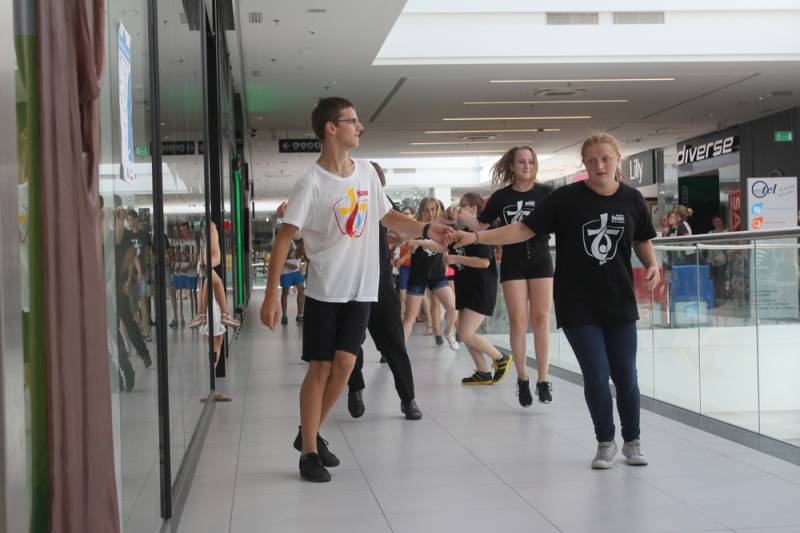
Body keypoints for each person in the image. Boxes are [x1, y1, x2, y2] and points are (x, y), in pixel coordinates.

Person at [260, 97, 452, 482]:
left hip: (362, 289)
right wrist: (269, 297)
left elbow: (387, 216)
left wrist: (426, 228)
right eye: (352, 121)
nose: (360, 127)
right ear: (331, 128)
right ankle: (309, 452)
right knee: (321, 368)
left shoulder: (365, 172)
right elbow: (283, 240)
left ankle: (308, 433)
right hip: (325, 290)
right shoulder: (311, 183)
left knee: (346, 365)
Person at [453, 133, 660, 469]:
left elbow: (642, 239)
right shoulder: (565, 198)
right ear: (584, 164)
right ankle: (605, 441)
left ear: (617, 160)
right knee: (596, 375)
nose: (599, 165)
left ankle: (632, 440)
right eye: (592, 160)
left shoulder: (632, 199)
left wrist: (652, 265)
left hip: (619, 300)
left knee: (626, 376)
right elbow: (523, 229)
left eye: (606, 158)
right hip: (577, 301)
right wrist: (476, 236)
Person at [446, 145, 554, 406]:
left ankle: (543, 379)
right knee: (518, 321)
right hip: (513, 263)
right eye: (521, 161)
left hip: (541, 261)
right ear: (512, 166)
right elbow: (480, 226)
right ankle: (522, 378)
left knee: (541, 320)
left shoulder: (546, 193)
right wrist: (459, 213)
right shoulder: (502, 197)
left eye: (531, 161)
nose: (527, 166)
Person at [346, 161, 423, 421]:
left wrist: (396, 237)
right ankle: (355, 390)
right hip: (352, 286)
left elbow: (398, 232)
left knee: (395, 344)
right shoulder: (349, 199)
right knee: (351, 343)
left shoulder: (384, 202)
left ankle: (408, 399)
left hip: (381, 284)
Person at [448, 193, 512, 385]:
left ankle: (500, 358)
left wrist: (454, 258)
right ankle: (482, 372)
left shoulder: (481, 234)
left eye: (463, 205)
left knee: (464, 334)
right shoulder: (463, 232)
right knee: (465, 332)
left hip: (481, 288)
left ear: (474, 208)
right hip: (466, 286)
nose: (459, 209)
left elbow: (484, 262)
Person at [402, 197, 459, 350]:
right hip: (418, 275)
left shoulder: (443, 228)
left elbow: (444, 248)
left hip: (437, 274)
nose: (430, 213)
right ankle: (398, 352)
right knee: (409, 316)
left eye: (433, 209)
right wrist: (405, 253)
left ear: (437, 209)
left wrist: (445, 265)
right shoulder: (417, 227)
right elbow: (408, 244)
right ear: (422, 210)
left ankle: (449, 332)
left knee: (452, 306)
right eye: (426, 210)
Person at [279, 240, 306, 325]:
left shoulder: (293, 242)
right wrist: (289, 265)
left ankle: (300, 315)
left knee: (302, 291)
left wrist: (300, 262)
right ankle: (284, 316)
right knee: (285, 293)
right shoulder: (280, 241)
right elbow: (278, 257)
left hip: (296, 271)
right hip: (285, 272)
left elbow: (296, 255)